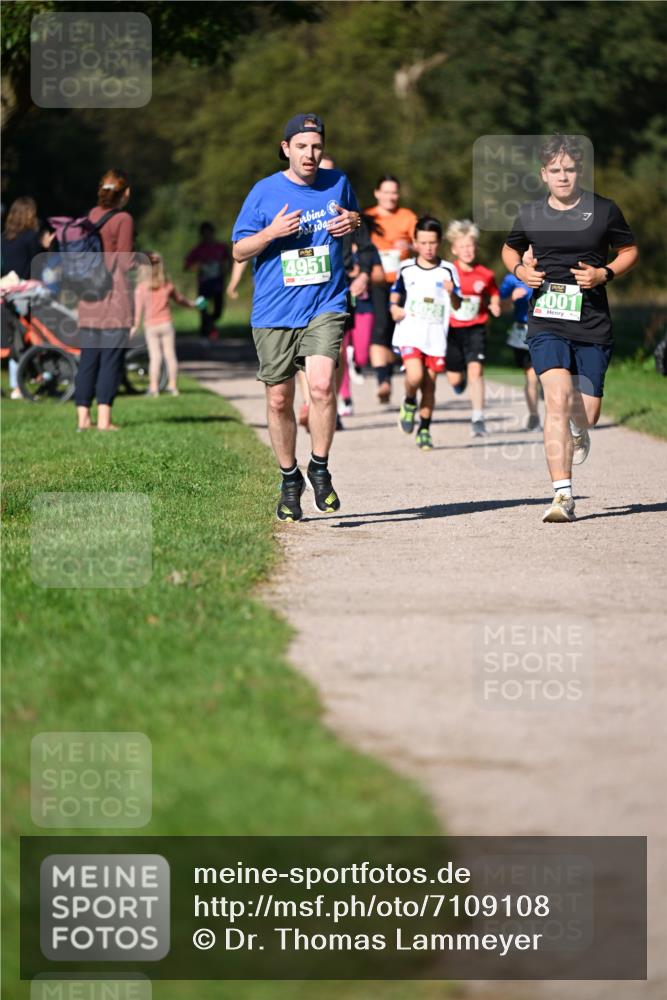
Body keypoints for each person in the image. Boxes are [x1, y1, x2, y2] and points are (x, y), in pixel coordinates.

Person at [502, 134, 638, 523]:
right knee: (557, 399)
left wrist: (603, 273)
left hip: (592, 323)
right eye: (555, 170)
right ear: (543, 174)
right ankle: (562, 495)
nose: (563, 176)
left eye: (570, 169)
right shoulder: (530, 213)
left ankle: (580, 429)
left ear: (580, 171)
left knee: (587, 414)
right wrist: (521, 271)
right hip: (546, 320)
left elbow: (629, 251)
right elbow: (510, 249)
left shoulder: (604, 210)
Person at [231, 113, 361, 522]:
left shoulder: (338, 183)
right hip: (274, 310)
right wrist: (271, 232)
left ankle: (319, 468)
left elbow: (356, 221)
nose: (310, 154)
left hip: (326, 303)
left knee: (321, 386)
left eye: (316, 146)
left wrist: (354, 221)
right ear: (286, 148)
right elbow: (238, 250)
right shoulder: (264, 191)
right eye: (302, 146)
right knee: (278, 399)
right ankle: (290, 479)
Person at [389, 216, 461, 450]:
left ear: (439, 242)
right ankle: (409, 401)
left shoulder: (448, 269)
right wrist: (393, 308)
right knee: (415, 376)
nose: (428, 248)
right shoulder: (406, 267)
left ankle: (424, 429)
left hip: (436, 336)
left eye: (432, 243)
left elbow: (458, 305)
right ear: (415, 242)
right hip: (410, 332)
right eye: (423, 243)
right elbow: (396, 292)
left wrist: (452, 293)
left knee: (429, 386)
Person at [74, 168, 134, 431]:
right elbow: (125, 261)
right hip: (114, 298)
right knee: (110, 359)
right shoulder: (123, 219)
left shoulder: (90, 216)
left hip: (88, 298)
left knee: (88, 360)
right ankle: (104, 421)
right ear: (126, 193)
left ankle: (83, 419)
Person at [444, 220, 501, 436]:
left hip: (476, 328)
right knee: (455, 379)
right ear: (454, 249)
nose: (467, 250)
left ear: (475, 247)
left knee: (476, 370)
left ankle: (478, 418)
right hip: (452, 329)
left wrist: (495, 304)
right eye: (462, 246)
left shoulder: (485, 274)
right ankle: (460, 381)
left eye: (470, 245)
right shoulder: (448, 272)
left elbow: (493, 293)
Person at [365, 175, 418, 402]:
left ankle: (391, 375)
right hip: (377, 282)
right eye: (386, 192)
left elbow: (423, 243)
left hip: (402, 282)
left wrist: (409, 245)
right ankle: (383, 381)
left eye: (394, 192)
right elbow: (357, 247)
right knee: (380, 328)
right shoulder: (368, 217)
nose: (390, 196)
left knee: (398, 331)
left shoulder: (407, 216)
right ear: (377, 193)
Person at [1, 197, 50, 399]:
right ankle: (40, 376)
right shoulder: (30, 237)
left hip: (8, 293)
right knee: (34, 336)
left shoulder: (4, 238)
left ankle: (16, 384)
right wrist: (46, 247)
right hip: (28, 293)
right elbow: (38, 264)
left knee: (16, 339)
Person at [131, 251, 197, 396]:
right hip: (166, 324)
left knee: (155, 357)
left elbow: (137, 313)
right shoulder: (167, 286)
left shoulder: (141, 288)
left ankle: (154, 387)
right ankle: (172, 386)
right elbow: (181, 300)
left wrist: (134, 328)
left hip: (151, 326)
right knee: (170, 355)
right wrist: (193, 305)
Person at [499, 269, 541, 430]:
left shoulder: (549, 272)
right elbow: (499, 307)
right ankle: (534, 416)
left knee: (547, 376)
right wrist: (511, 298)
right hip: (523, 332)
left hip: (548, 330)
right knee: (532, 377)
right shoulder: (511, 279)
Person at [184, 222, 230, 339]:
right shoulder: (197, 249)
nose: (207, 236)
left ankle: (210, 325)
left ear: (213, 233)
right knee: (202, 308)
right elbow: (187, 266)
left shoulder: (221, 247)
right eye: (204, 234)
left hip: (218, 285)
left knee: (218, 310)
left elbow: (230, 261)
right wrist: (199, 266)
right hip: (203, 285)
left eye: (209, 233)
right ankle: (205, 332)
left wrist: (225, 270)